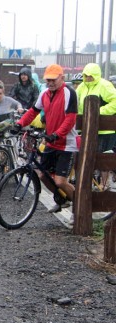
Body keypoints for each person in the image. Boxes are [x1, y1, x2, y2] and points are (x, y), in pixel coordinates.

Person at [15, 64, 78, 213]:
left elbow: (70, 119)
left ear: (62, 78)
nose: (50, 83)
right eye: (47, 80)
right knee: (43, 175)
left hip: (65, 144)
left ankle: (79, 208)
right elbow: (33, 112)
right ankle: (62, 200)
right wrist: (19, 124)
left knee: (60, 181)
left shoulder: (69, 93)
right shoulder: (44, 94)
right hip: (51, 141)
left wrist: (57, 134)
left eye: (53, 80)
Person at [76, 63, 116, 189]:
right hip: (87, 129)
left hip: (105, 130)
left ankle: (105, 185)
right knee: (87, 157)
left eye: (91, 76)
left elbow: (115, 101)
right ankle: (88, 185)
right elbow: (76, 104)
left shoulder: (104, 85)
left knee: (103, 157)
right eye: (86, 76)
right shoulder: (82, 87)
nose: (88, 78)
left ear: (97, 75)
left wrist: (98, 112)